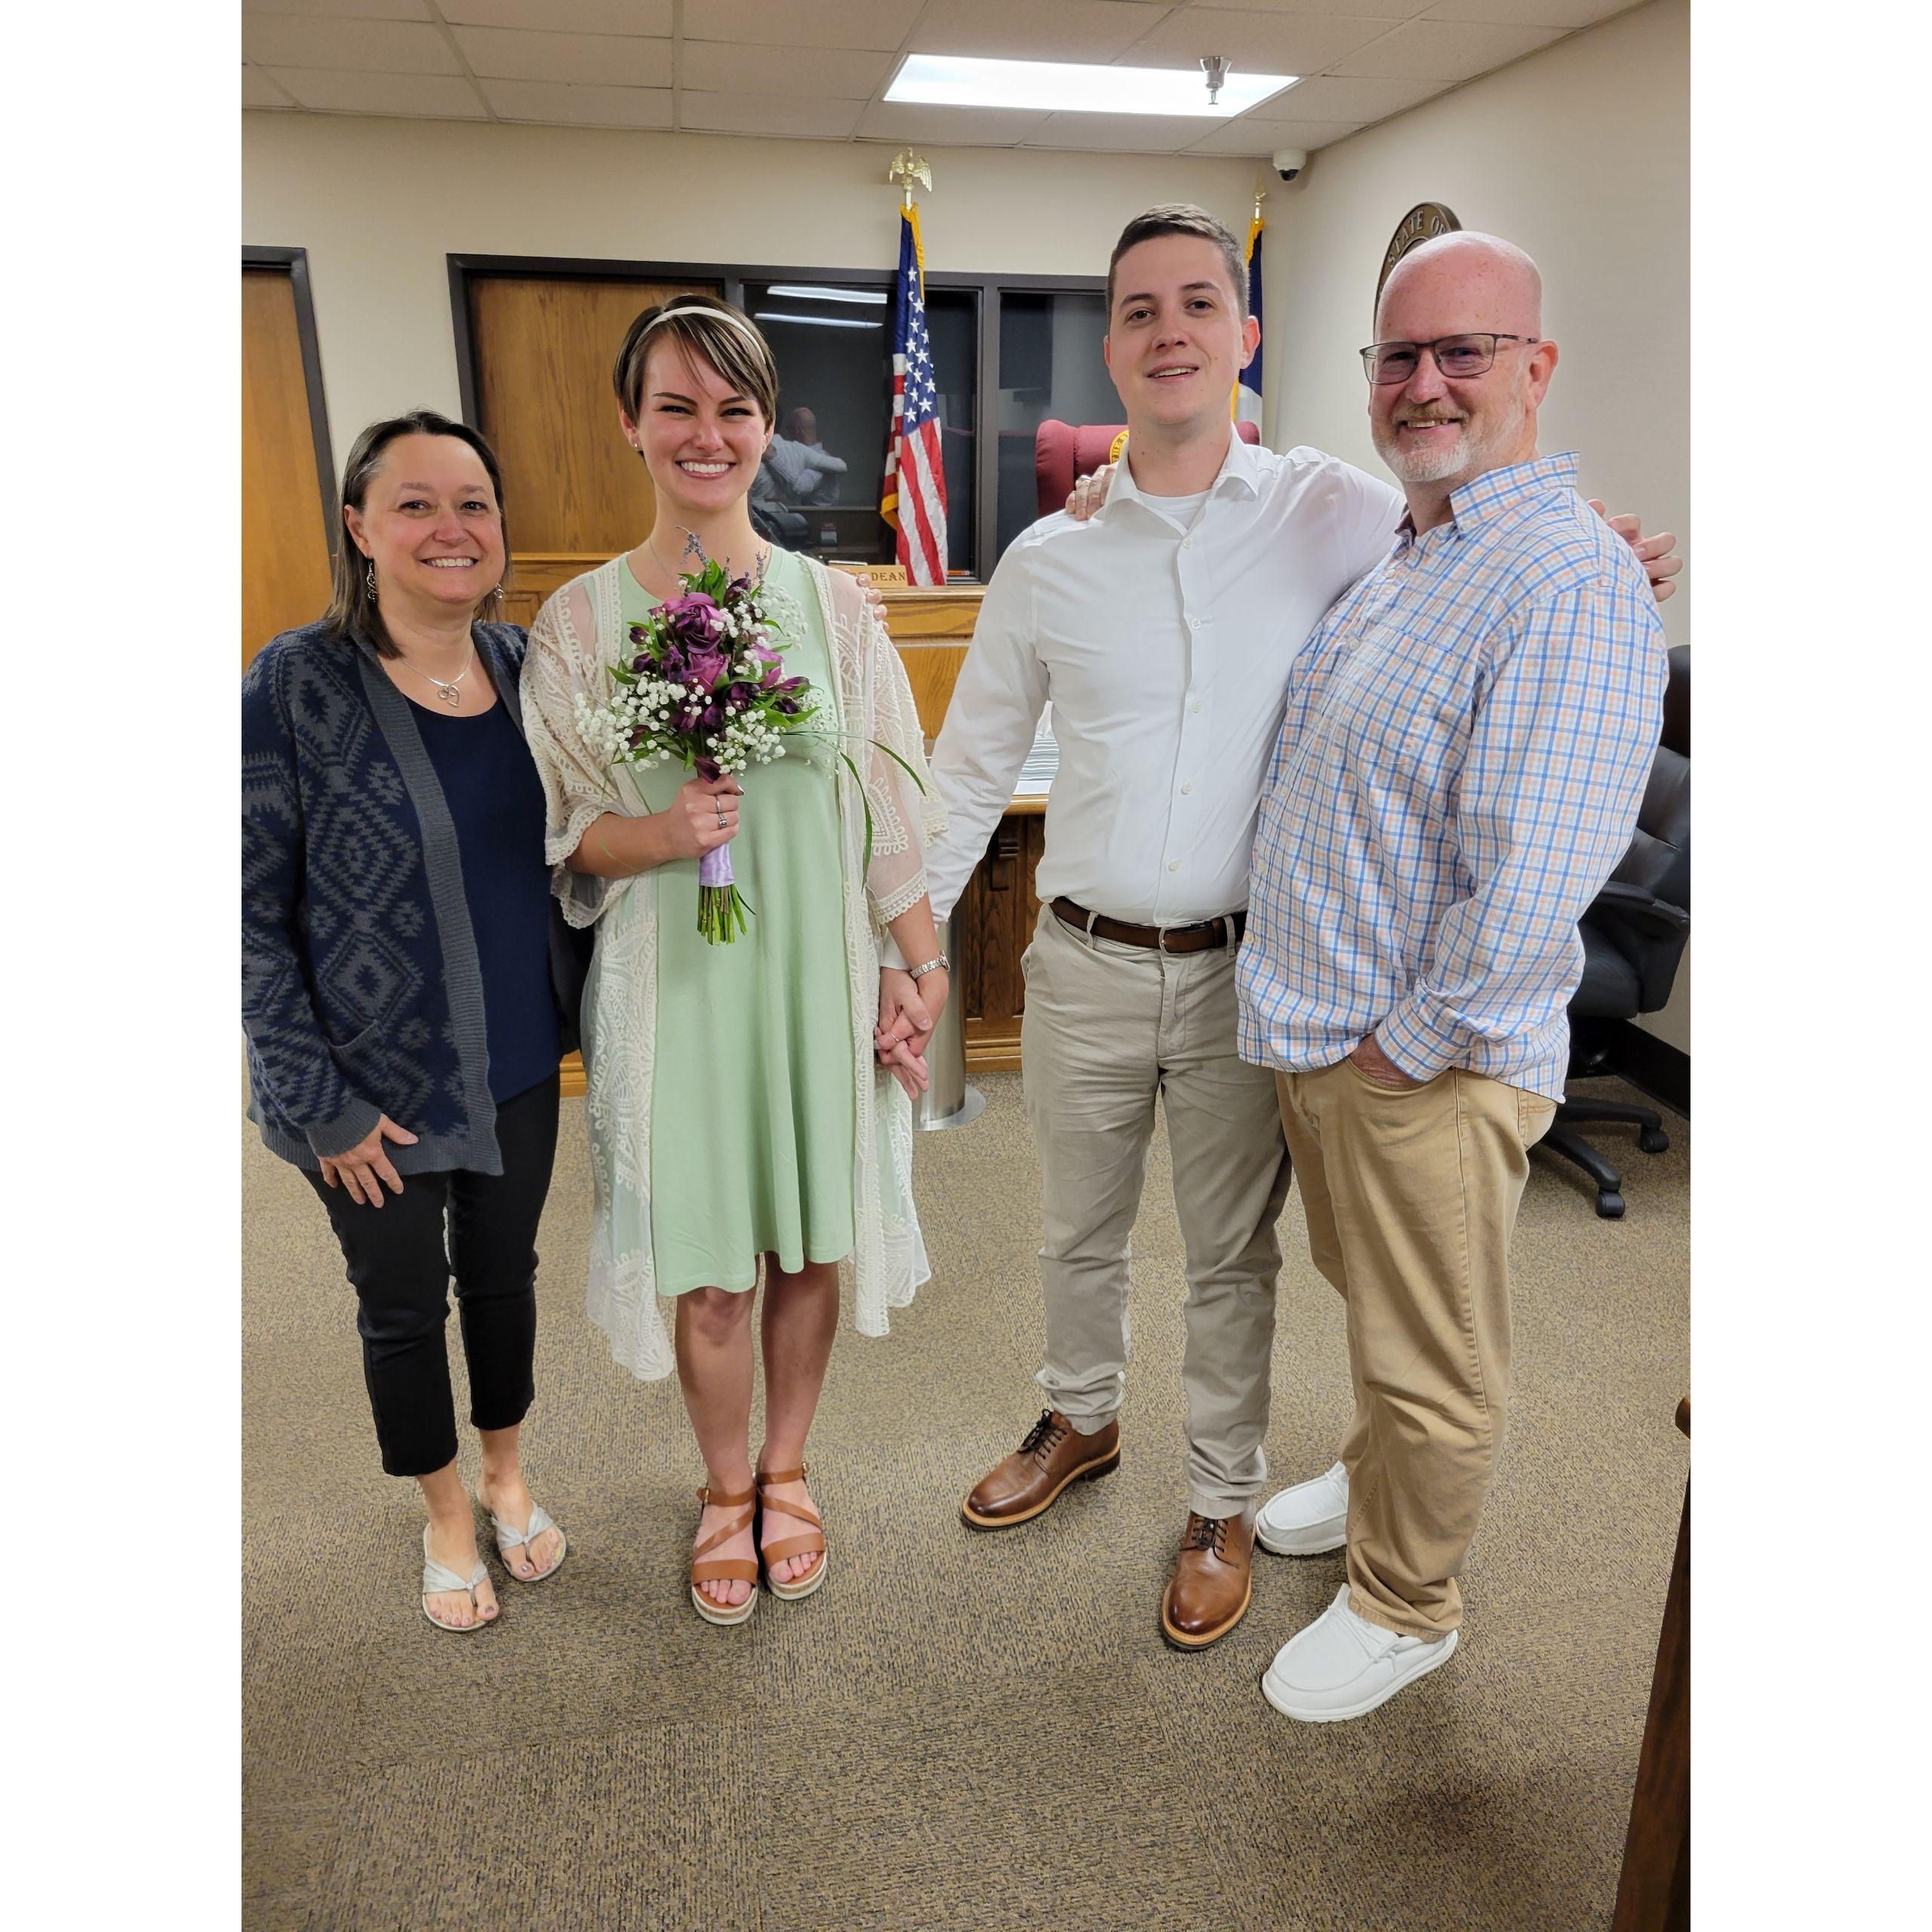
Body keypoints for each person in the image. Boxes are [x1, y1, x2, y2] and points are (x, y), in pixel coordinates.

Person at [897, 205, 1677, 1653]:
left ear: (1245, 341)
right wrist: (914, 947)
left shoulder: (1337, 509)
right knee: (1071, 1230)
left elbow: (1502, 535)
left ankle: (1221, 1498)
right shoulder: (1046, 558)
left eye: (1201, 302)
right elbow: (967, 772)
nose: (1172, 329)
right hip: (1077, 960)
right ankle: (1079, 1420)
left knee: (1228, 1257)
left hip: (1250, 976)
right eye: (1140, 310)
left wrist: (1604, 555)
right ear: (1114, 351)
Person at [1240, 232, 1666, 1721]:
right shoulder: (1423, 545)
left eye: (1460, 353)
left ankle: (1405, 1599)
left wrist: (1403, 1043)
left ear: (1531, 368)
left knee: (1433, 1348)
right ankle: (1369, 1484)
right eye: (1397, 358)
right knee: (1375, 1303)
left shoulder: (1562, 579)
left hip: (1417, 1056)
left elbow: (1535, 864)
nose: (1423, 383)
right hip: (1334, 1033)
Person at [519, 295, 946, 1626]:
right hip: (680, 981)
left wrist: (915, 969)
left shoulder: (833, 605)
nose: (707, 435)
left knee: (809, 1246)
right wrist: (663, 828)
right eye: (677, 407)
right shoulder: (579, 624)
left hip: (811, 973)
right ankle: (719, 1490)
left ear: (767, 428)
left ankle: (787, 1468)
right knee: (707, 1259)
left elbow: (885, 797)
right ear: (633, 424)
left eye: (734, 408)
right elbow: (569, 831)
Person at [242, 411, 583, 1633]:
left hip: (520, 1062)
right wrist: (313, 1099)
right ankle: (444, 1508)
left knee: (504, 1281)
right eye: (418, 505)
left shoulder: (532, 666)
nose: (453, 528)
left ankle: (504, 1469)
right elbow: (243, 914)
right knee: (400, 1305)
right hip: (364, 1087)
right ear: (361, 527)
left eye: (475, 504)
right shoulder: (295, 684)